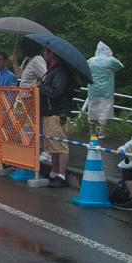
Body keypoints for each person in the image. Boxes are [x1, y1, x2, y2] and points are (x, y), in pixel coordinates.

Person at [39, 46, 76, 188]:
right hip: (49, 111)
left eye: (45, 52)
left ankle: (61, 175)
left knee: (61, 144)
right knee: (52, 143)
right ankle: (54, 172)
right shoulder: (53, 69)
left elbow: (56, 90)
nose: (43, 54)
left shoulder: (60, 70)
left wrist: (40, 87)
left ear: (51, 53)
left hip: (59, 112)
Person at [86, 41, 123, 139]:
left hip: (93, 90)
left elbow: (85, 69)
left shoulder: (90, 61)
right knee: (105, 110)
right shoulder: (110, 61)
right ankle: (101, 132)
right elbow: (120, 66)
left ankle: (93, 131)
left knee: (92, 109)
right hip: (106, 91)